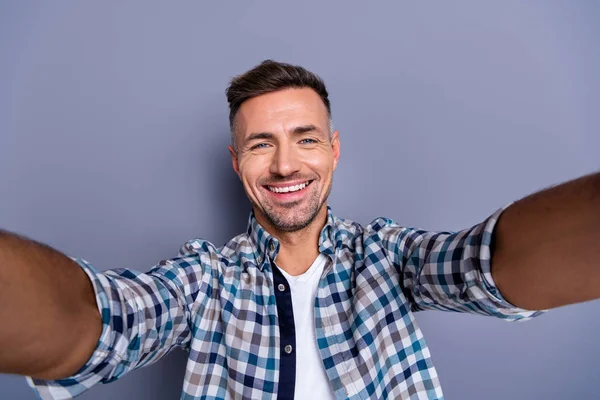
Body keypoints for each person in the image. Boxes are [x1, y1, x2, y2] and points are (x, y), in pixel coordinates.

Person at [0, 60, 598, 400]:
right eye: (262, 145)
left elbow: (487, 265)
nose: (285, 165)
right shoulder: (206, 278)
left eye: (305, 140)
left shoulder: (385, 256)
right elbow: (104, 321)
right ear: (237, 163)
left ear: (334, 152)